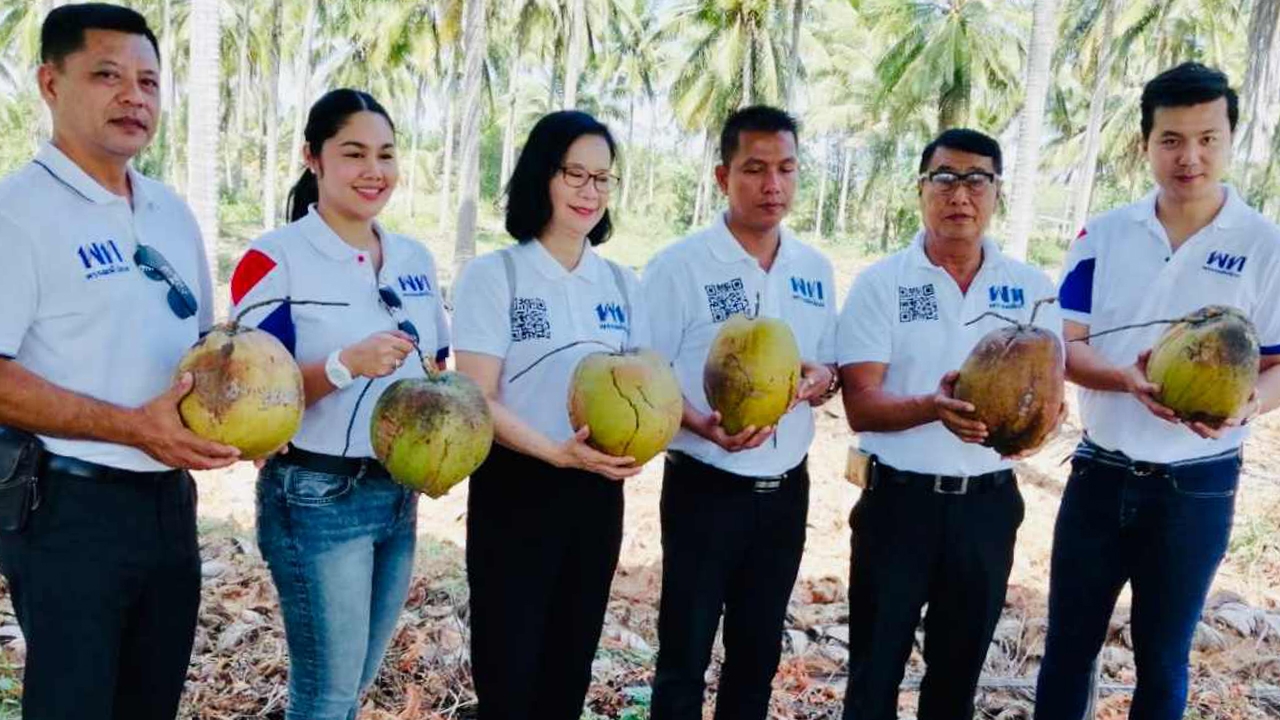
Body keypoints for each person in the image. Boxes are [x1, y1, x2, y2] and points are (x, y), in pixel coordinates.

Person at [0, 4, 242, 719]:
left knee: (150, 701)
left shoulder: (170, 211)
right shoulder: (18, 213)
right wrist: (132, 427)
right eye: (107, 75)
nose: (134, 96)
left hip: (169, 504)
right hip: (68, 506)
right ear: (50, 83)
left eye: (148, 80)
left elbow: (207, 348)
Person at [1035, 62, 1280, 720]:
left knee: (1164, 656)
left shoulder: (1266, 246)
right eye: (1171, 139)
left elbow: (1278, 363)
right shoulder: (1104, 234)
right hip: (1099, 475)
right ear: (1145, 144)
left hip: (1197, 485)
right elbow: (1068, 345)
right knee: (1068, 648)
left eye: (1207, 138)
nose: (1190, 157)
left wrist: (1246, 404)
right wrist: (1122, 377)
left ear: (1233, 140)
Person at [230, 88, 450, 720]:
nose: (373, 170)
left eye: (385, 154)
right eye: (353, 153)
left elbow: (437, 366)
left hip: (397, 493)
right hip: (316, 493)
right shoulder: (274, 257)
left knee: (351, 688)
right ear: (313, 158)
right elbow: (249, 398)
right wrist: (342, 365)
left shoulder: (414, 259)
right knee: (326, 695)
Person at [836, 128, 1063, 720]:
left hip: (986, 510)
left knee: (955, 682)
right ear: (922, 189)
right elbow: (860, 405)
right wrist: (931, 409)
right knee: (873, 676)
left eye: (977, 180)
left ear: (996, 193)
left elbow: (1048, 403)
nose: (960, 194)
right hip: (898, 506)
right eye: (945, 178)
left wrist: (1041, 424)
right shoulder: (881, 283)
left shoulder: (1032, 289)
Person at [642, 105, 839, 720]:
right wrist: (702, 426)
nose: (772, 185)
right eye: (754, 169)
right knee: (684, 657)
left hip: (786, 493)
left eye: (785, 169)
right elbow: (646, 380)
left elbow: (827, 369)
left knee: (756, 657)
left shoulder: (815, 269)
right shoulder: (679, 266)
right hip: (705, 488)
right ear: (724, 176)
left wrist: (821, 380)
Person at [452, 110, 649, 720]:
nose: (590, 191)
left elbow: (646, 389)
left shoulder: (620, 283)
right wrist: (553, 451)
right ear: (543, 176)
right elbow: (475, 396)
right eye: (575, 174)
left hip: (595, 495)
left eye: (602, 178)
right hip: (516, 489)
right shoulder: (496, 275)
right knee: (509, 674)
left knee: (568, 670)